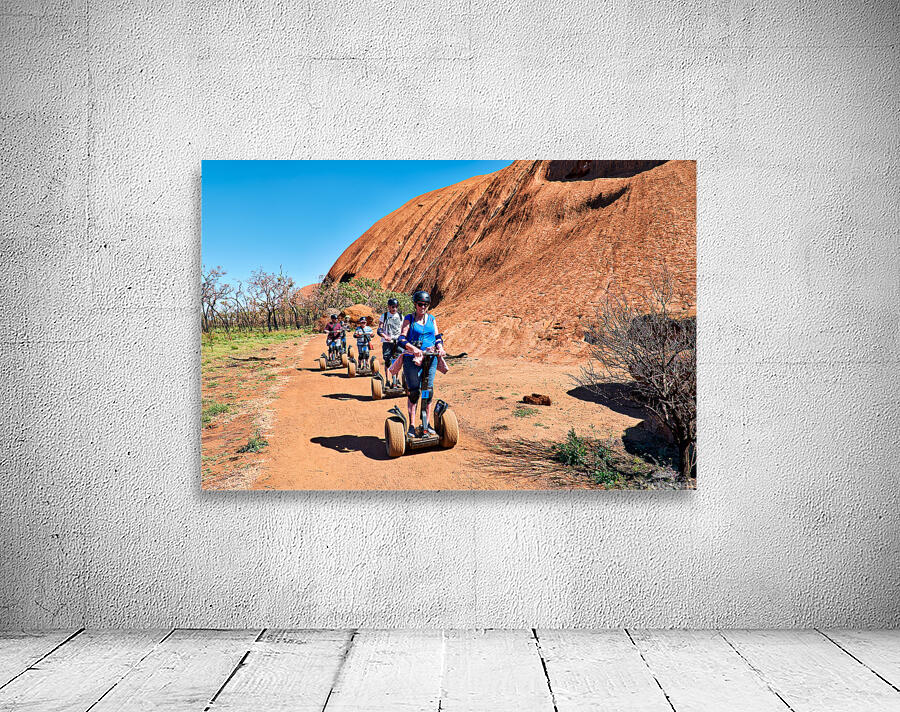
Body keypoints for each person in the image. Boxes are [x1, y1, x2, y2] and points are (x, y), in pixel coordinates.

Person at [397, 290, 446, 437]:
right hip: (412, 359)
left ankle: (426, 424)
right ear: (415, 304)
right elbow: (401, 339)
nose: (422, 307)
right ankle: (412, 426)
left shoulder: (431, 319)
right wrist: (414, 349)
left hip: (430, 358)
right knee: (414, 392)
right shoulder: (409, 318)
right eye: (420, 304)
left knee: (428, 392)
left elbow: (437, 336)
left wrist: (440, 348)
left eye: (425, 304)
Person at [377, 298, 404, 387]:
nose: (394, 309)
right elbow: (379, 329)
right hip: (387, 342)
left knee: (397, 361)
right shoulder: (384, 316)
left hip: (398, 341)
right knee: (388, 361)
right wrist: (385, 336)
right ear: (389, 307)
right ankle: (387, 381)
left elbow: (404, 329)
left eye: (396, 307)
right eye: (393, 307)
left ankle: (396, 380)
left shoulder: (400, 316)